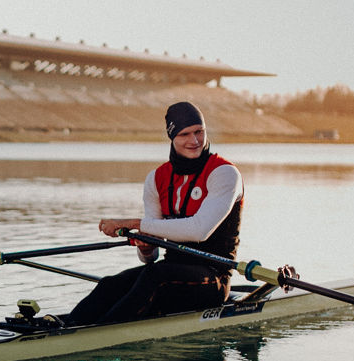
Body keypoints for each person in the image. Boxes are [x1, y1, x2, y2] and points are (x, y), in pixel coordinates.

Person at [64, 101, 244, 326]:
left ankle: (98, 334)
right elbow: (151, 256)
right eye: (185, 134)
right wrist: (147, 248)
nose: (195, 140)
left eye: (200, 132)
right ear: (172, 137)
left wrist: (132, 223)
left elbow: (200, 231)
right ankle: (67, 328)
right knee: (111, 284)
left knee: (154, 277)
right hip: (169, 271)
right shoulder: (156, 179)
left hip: (213, 277)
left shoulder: (224, 173)